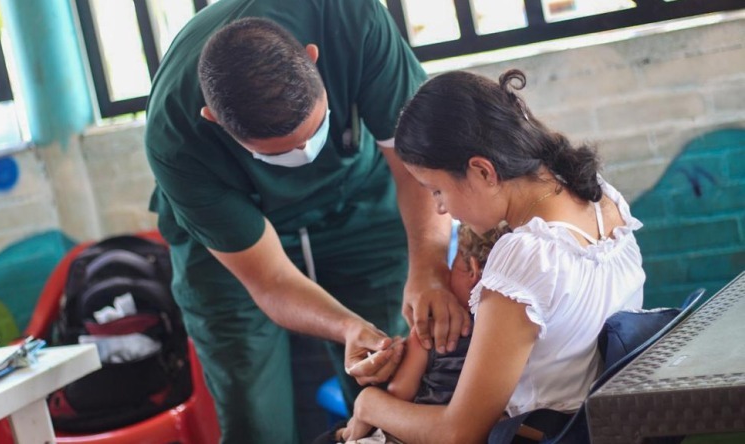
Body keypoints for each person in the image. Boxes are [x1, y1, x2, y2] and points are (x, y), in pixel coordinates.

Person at [143, 1, 468, 442]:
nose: (304, 156)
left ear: (313, 58)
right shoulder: (175, 137)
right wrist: (345, 327)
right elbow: (271, 280)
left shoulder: (348, 19)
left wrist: (429, 270)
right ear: (214, 120)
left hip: (360, 211)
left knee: (393, 385)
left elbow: (418, 166)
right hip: (234, 250)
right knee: (255, 418)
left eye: (315, 131)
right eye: (277, 153)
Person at [339, 69, 646, 444]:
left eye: (437, 190)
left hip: (545, 434)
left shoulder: (527, 257)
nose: (440, 210)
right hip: (594, 427)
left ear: (482, 170)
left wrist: (369, 402)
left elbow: (459, 433)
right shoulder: (602, 198)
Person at [332, 223, 510, 444]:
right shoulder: (520, 333)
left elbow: (399, 392)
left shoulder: (432, 329)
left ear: (472, 269)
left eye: (452, 261)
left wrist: (400, 356)